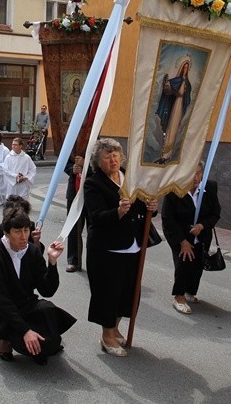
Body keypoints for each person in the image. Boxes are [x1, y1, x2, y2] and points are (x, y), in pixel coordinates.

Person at [84, 138, 158, 357]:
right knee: (108, 293)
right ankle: (106, 336)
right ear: (99, 161)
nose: (113, 160)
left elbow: (144, 208)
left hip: (133, 246)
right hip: (107, 249)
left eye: (115, 155)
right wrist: (117, 213)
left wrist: (151, 208)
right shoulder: (93, 183)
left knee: (128, 292)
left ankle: (115, 327)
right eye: (107, 157)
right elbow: (95, 217)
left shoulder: (130, 177)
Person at [0, 207, 76, 365]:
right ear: (6, 232)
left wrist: (52, 263)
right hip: (3, 311)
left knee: (49, 314)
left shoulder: (31, 251)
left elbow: (47, 290)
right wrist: (25, 331)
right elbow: (1, 301)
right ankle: (5, 339)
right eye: (18, 231)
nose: (24, 236)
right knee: (35, 348)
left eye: (26, 230)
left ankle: (38, 344)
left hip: (26, 304)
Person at [161, 162, 221, 314]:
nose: (195, 178)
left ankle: (189, 291)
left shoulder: (210, 187)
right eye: (192, 174)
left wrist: (202, 225)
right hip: (179, 234)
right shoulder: (174, 190)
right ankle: (179, 297)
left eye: (199, 173)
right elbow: (168, 218)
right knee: (183, 262)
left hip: (201, 234)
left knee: (198, 264)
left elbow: (215, 213)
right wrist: (182, 241)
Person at [155, 57, 192, 162]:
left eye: (187, 68)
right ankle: (165, 152)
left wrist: (185, 93)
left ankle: (172, 153)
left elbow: (188, 97)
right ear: (181, 68)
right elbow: (168, 90)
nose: (185, 70)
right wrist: (166, 83)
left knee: (178, 128)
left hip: (181, 107)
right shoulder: (176, 80)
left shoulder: (188, 84)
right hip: (175, 105)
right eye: (184, 68)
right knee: (171, 126)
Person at [63, 154, 88, 272]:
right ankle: (74, 260)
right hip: (74, 190)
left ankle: (95, 261)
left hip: (92, 190)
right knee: (74, 226)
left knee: (94, 228)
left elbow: (100, 164)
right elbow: (63, 161)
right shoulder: (72, 142)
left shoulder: (94, 140)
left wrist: (85, 164)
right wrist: (71, 169)